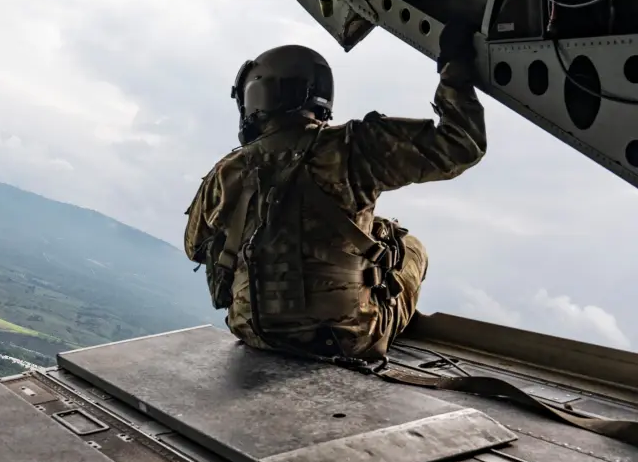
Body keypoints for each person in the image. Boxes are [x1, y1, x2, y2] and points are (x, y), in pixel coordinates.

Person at [183, 21, 485, 363]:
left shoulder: (227, 170)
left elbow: (196, 247)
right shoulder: (353, 145)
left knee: (377, 229)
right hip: (346, 339)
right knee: (410, 247)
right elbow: (461, 146)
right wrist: (454, 70)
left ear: (256, 97)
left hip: (254, 332)